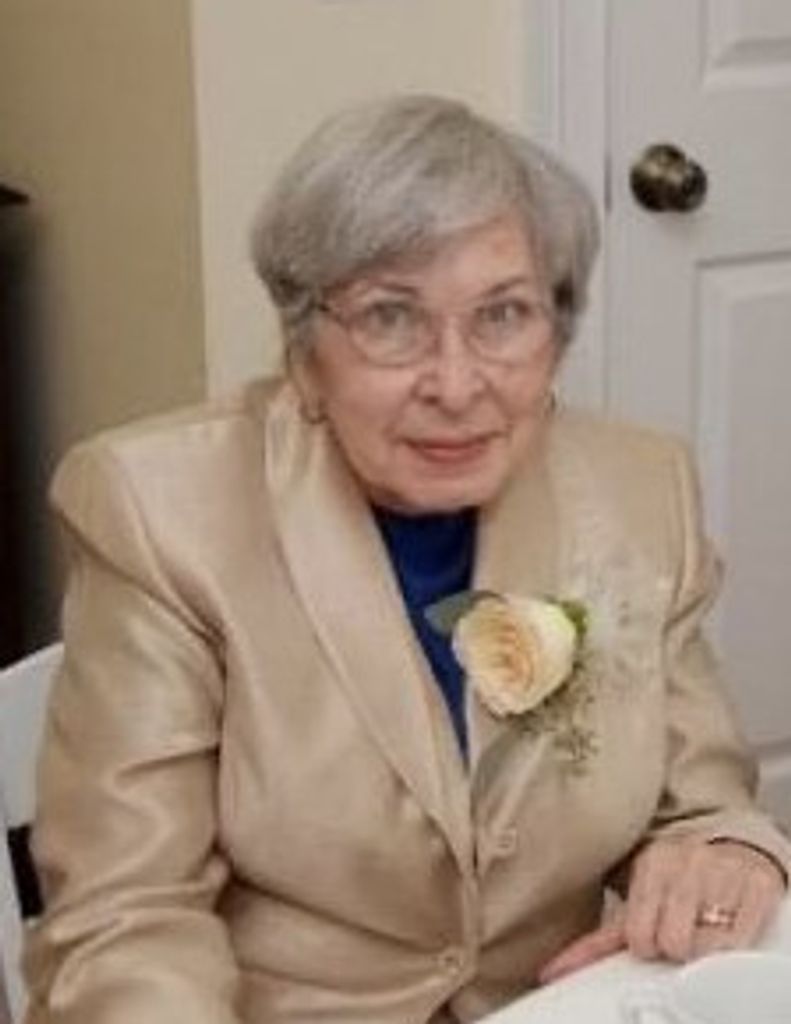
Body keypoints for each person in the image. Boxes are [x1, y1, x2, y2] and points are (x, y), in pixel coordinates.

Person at [24, 95, 789, 1024]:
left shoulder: (636, 488)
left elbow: (696, 799)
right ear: (303, 351)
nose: (456, 385)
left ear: (556, 336)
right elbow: (126, 920)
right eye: (390, 318)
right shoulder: (161, 511)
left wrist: (727, 851)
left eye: (503, 314)